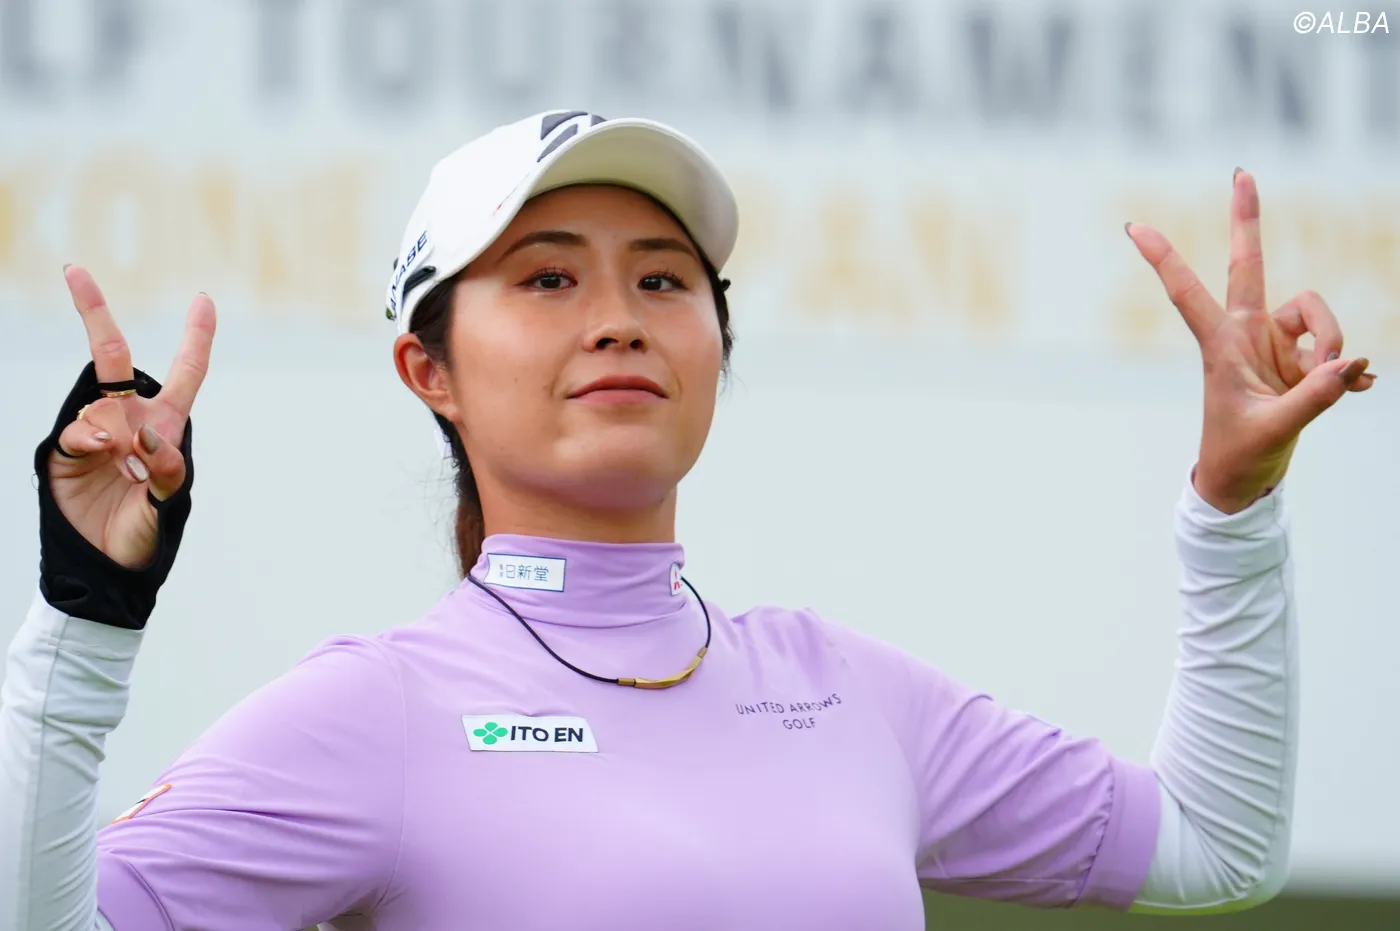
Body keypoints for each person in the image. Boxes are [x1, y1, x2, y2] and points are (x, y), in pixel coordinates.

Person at [0, 111, 1375, 931]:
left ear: (717, 341)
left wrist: (1233, 509)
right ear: (429, 369)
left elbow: (1213, 845)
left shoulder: (843, 689)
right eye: (547, 278)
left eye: (664, 279)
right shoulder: (377, 711)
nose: (619, 318)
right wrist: (84, 610)